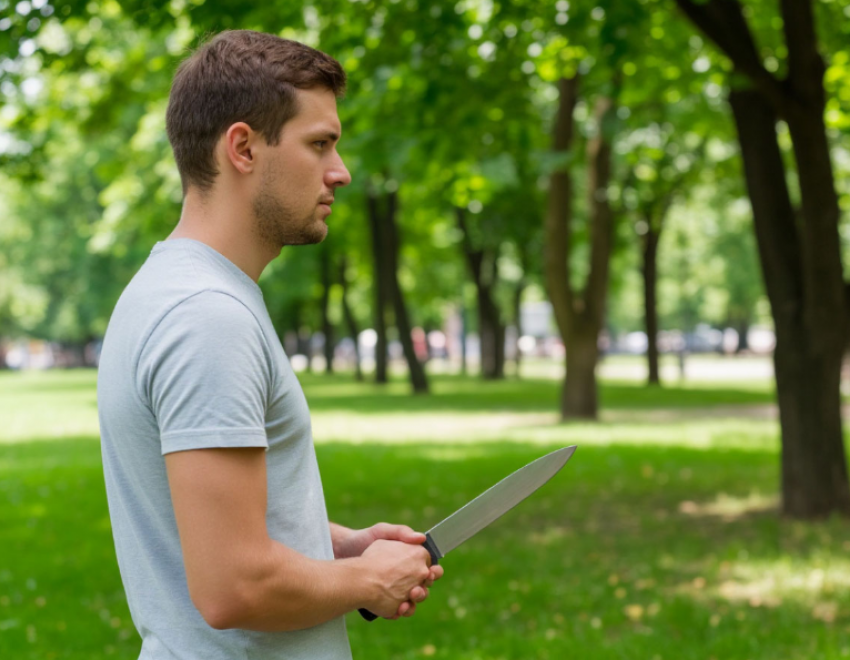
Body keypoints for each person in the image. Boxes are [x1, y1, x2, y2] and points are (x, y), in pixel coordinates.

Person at [97, 30, 442, 660]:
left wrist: (337, 547)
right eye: (319, 145)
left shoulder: (173, 289)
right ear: (243, 148)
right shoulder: (207, 318)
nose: (340, 171)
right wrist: (369, 580)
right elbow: (234, 586)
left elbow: (208, 531)